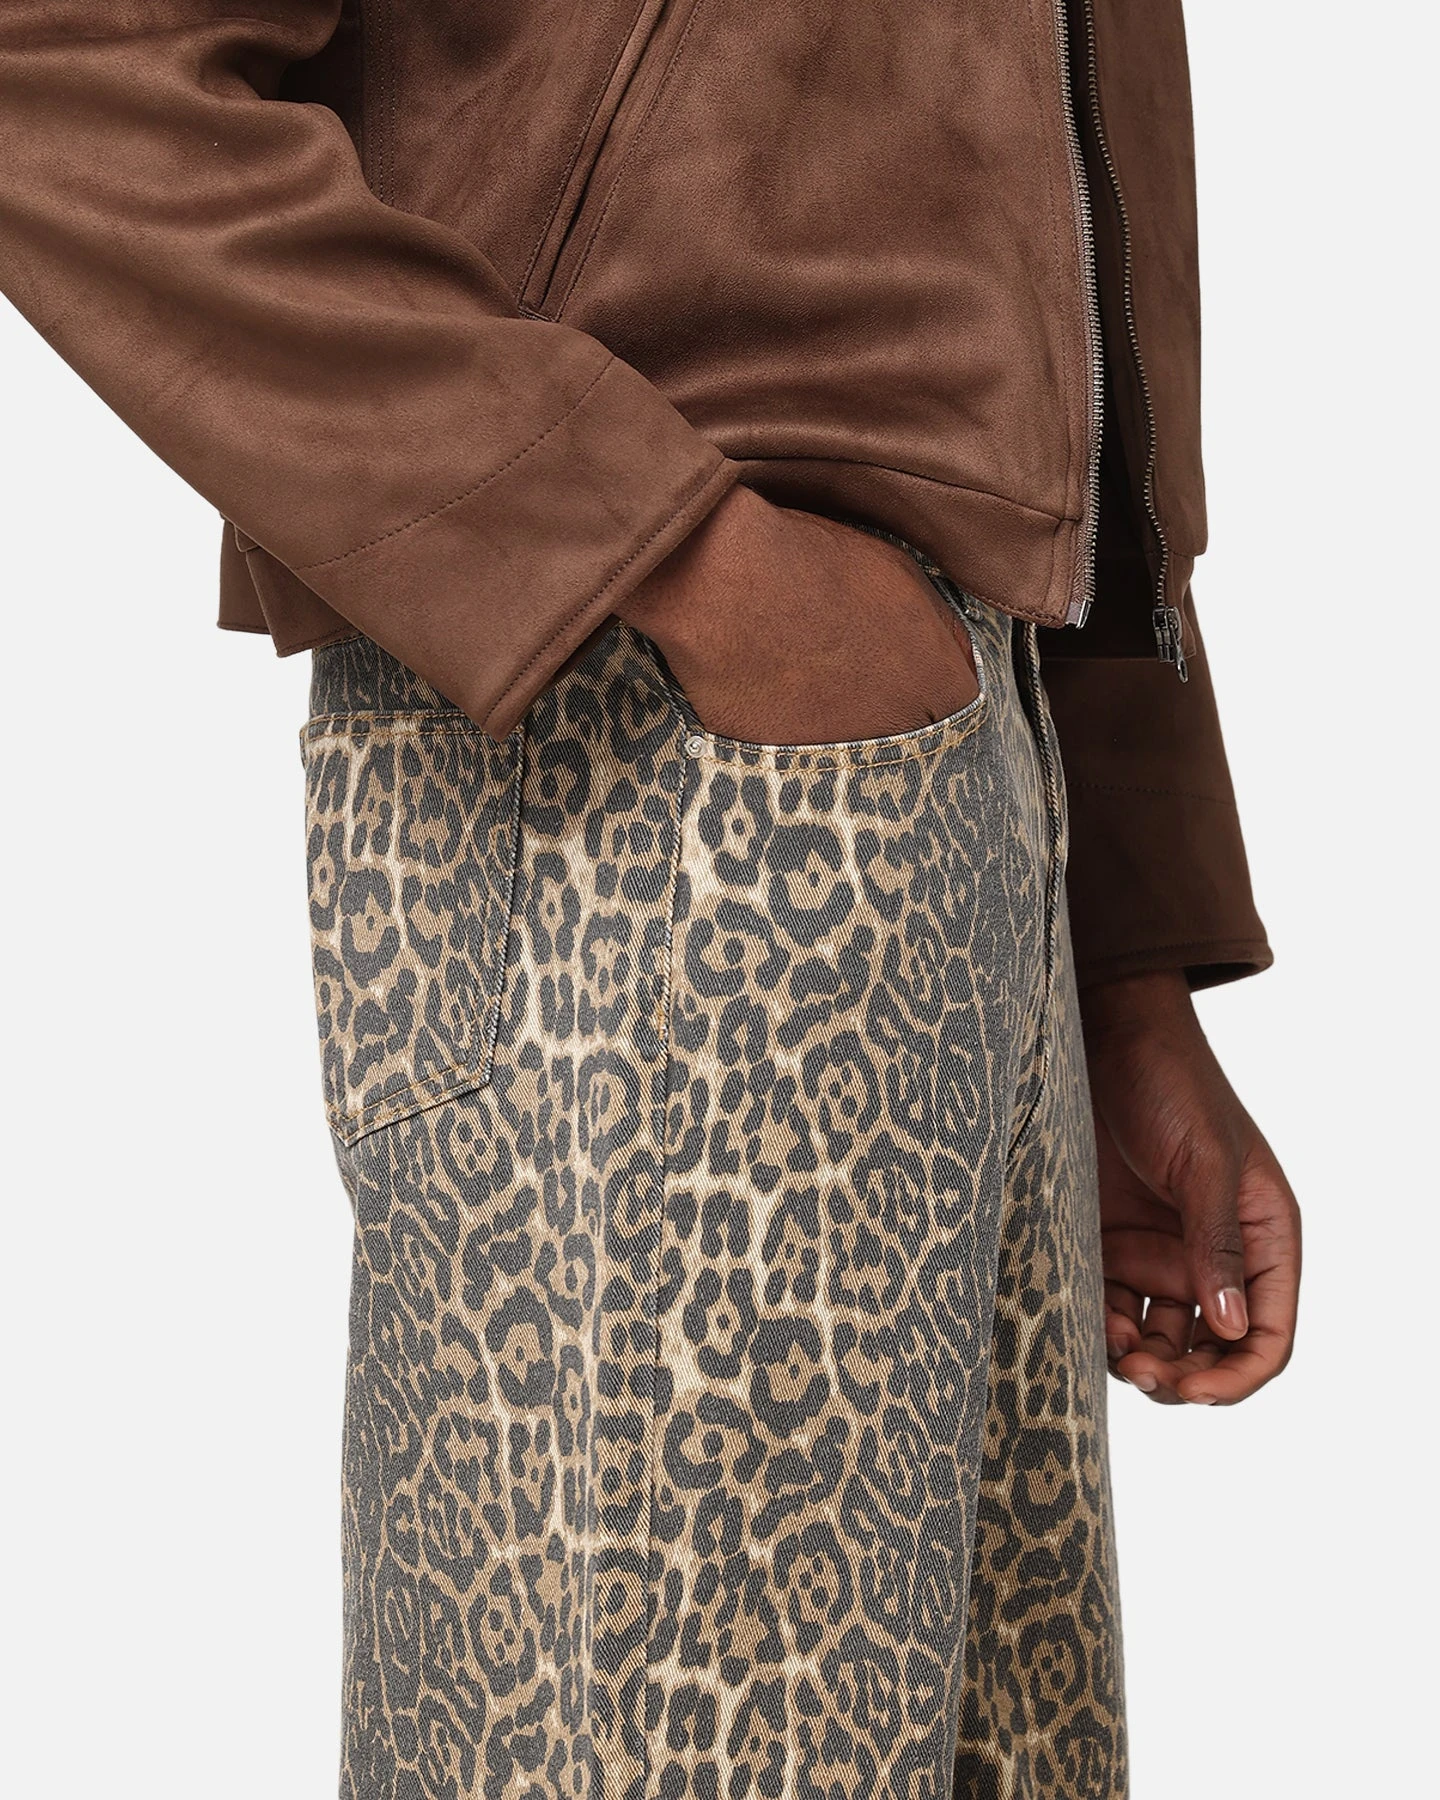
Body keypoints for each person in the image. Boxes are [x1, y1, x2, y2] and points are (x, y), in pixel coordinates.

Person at [0, 4, 1301, 1796]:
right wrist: (681, 560)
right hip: (625, 741)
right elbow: (61, 64)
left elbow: (1052, 172)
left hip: (966, 744)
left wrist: (1124, 962)